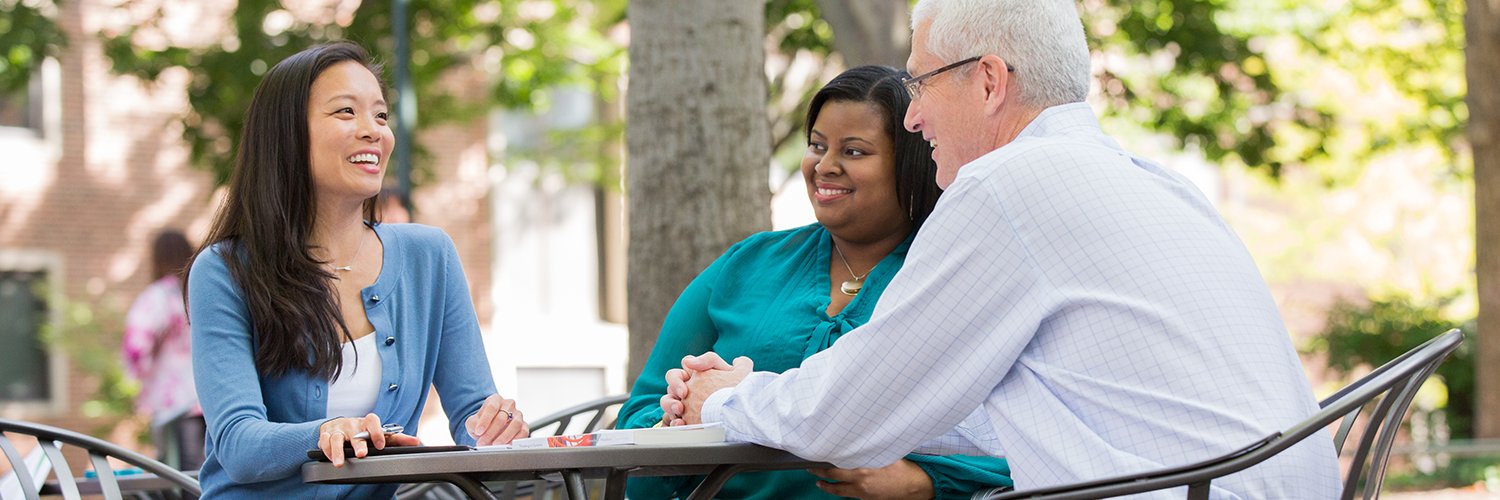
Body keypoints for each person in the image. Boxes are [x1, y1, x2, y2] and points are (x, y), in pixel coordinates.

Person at [662, 0, 1343, 497]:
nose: (912, 116)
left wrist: (728, 398)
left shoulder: (1007, 185)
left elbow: (845, 413)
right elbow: (966, 410)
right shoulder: (1157, 185)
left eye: (921, 83)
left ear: (989, 80)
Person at [620, 65, 1011, 500]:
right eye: (817, 146)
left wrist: (927, 482)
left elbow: (1025, 434)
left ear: (911, 161)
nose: (825, 166)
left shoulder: (952, 271)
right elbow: (638, 416)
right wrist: (682, 410)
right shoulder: (748, 264)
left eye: (854, 151)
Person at [185, 42, 528, 498]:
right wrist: (326, 432)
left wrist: (495, 427)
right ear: (287, 134)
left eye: (381, 116)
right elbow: (239, 443)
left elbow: (471, 413)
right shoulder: (224, 270)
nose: (374, 132)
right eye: (346, 112)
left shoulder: (431, 255)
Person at [122, 229, 204, 470]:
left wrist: (141, 372)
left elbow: (135, 347)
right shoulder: (198, 291)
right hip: (209, 397)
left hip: (175, 403)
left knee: (179, 474)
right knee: (205, 471)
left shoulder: (158, 296)